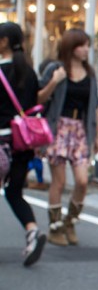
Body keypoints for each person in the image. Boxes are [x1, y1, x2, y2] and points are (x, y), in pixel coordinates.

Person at [0, 21, 63, 266]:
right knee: (14, 191)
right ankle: (32, 231)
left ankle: (32, 232)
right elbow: (35, 101)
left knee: (12, 191)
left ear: (4, 41)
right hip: (22, 143)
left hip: (2, 139)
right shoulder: (27, 70)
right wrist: (54, 82)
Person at [39, 29, 98, 246]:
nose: (85, 50)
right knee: (59, 181)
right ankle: (55, 227)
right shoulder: (56, 69)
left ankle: (69, 221)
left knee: (82, 181)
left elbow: (94, 106)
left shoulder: (90, 73)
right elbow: (39, 98)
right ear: (70, 46)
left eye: (87, 45)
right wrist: (54, 81)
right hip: (58, 129)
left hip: (80, 131)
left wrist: (96, 135)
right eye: (81, 45)